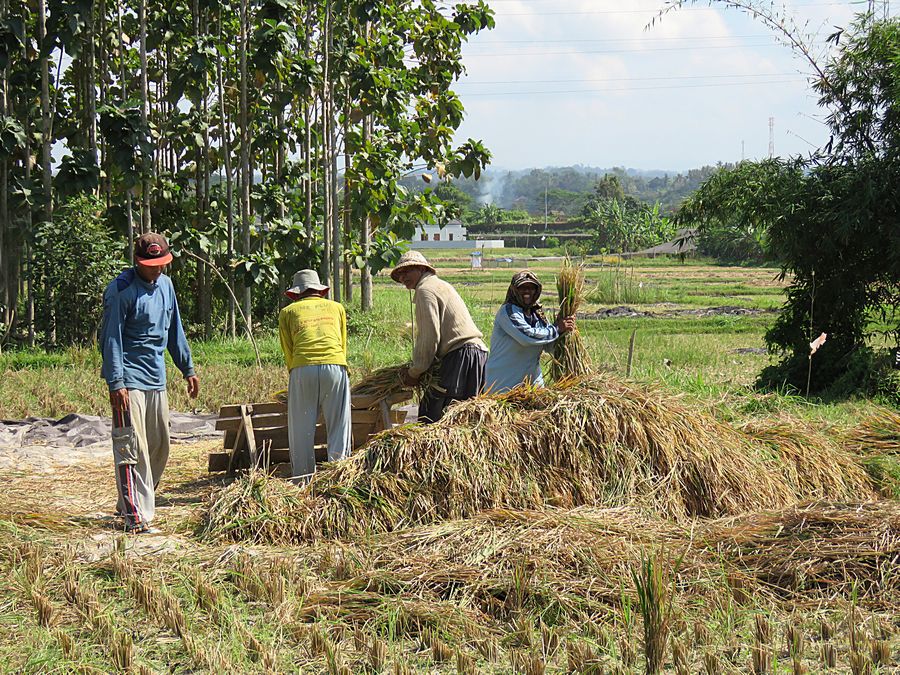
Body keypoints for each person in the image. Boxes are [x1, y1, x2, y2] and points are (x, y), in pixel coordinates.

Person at [100, 233, 199, 534]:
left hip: (157, 378)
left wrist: (187, 368)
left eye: (161, 264)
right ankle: (135, 516)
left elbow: (174, 330)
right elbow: (110, 339)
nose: (156, 270)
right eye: (150, 265)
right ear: (137, 262)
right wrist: (116, 382)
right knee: (133, 448)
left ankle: (131, 502)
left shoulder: (166, 286)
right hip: (129, 380)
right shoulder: (121, 291)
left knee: (160, 446)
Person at [391, 250, 488, 423]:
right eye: (399, 274)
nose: (403, 277)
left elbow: (429, 338)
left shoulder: (425, 290)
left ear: (421, 269)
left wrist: (415, 372)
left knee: (433, 416)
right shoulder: (439, 285)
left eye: (407, 271)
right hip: (476, 354)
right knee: (465, 419)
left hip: (461, 356)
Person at [278, 269, 351, 481]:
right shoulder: (337, 308)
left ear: (296, 293)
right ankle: (339, 478)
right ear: (319, 290)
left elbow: (288, 350)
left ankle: (303, 480)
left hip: (302, 369)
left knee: (301, 428)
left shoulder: (288, 312)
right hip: (336, 365)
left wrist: (297, 372)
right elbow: (342, 343)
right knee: (339, 424)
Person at [483, 270, 575, 394]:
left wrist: (564, 333)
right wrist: (557, 329)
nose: (527, 291)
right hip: (503, 386)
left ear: (537, 291)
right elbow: (527, 337)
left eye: (531, 288)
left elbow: (549, 346)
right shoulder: (508, 311)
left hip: (531, 386)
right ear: (514, 290)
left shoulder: (538, 315)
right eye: (522, 288)